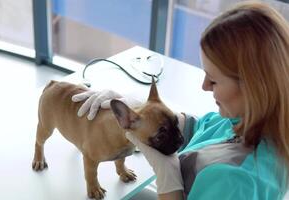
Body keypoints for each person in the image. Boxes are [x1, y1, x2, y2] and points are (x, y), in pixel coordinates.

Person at [71, 1, 289, 199]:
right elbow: (204, 126)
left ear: (253, 86)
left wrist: (168, 179)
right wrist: (143, 111)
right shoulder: (248, 120)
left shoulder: (233, 181)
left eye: (213, 80)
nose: (204, 86)